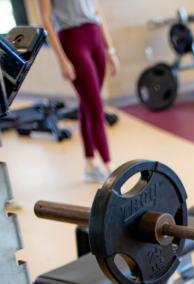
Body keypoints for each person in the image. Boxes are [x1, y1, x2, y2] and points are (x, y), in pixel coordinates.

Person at [38, 0, 118, 182]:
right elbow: (47, 21)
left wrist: (110, 50)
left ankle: (89, 165)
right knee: (96, 107)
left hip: (95, 36)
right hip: (73, 40)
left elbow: (97, 11)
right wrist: (62, 60)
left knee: (87, 104)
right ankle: (109, 168)